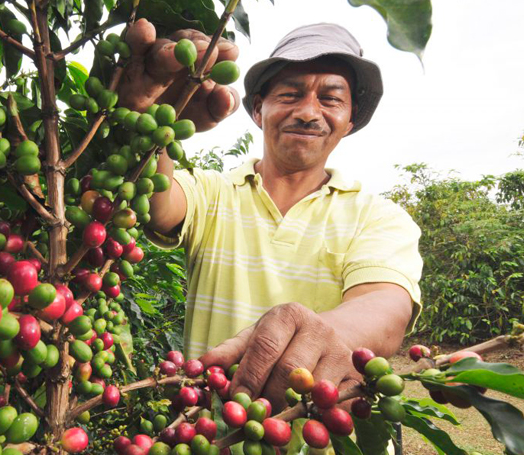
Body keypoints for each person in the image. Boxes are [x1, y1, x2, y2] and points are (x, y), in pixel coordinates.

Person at [118, 21, 423, 411]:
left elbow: (386, 306)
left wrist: (319, 332)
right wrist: (152, 114)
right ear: (259, 110)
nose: (309, 112)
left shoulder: (379, 217)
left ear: (350, 121)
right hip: (210, 438)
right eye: (290, 94)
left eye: (330, 99)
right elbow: (158, 205)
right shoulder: (213, 193)